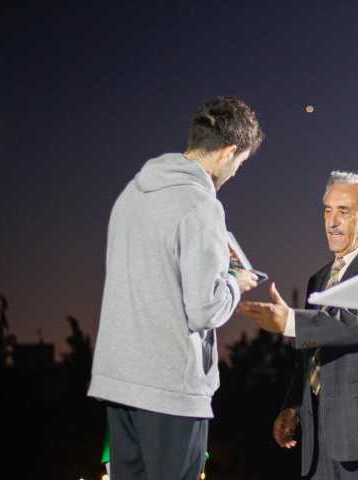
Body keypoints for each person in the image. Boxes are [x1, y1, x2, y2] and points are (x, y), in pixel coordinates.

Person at [88, 96, 263, 480]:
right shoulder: (201, 205)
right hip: (170, 390)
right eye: (240, 162)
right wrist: (234, 281)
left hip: (119, 382)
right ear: (228, 151)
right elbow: (205, 309)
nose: (236, 172)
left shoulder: (131, 193)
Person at [237, 171, 358, 480]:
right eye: (328, 210)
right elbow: (310, 353)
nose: (332, 221)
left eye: (344, 211)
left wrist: (290, 321)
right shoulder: (319, 278)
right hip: (319, 440)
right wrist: (293, 405)